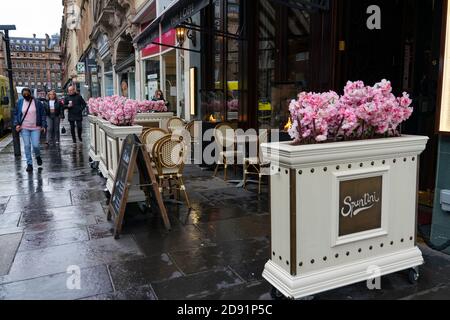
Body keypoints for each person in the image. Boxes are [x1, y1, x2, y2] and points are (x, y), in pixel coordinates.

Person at [13, 88, 47, 172]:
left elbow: (43, 114)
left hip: (36, 127)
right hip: (24, 127)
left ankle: (38, 156)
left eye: (27, 94)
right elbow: (16, 114)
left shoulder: (37, 102)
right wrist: (17, 124)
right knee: (27, 146)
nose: (26, 95)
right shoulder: (20, 102)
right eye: (24, 94)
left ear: (30, 94)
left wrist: (43, 125)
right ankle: (29, 164)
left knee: (35, 145)